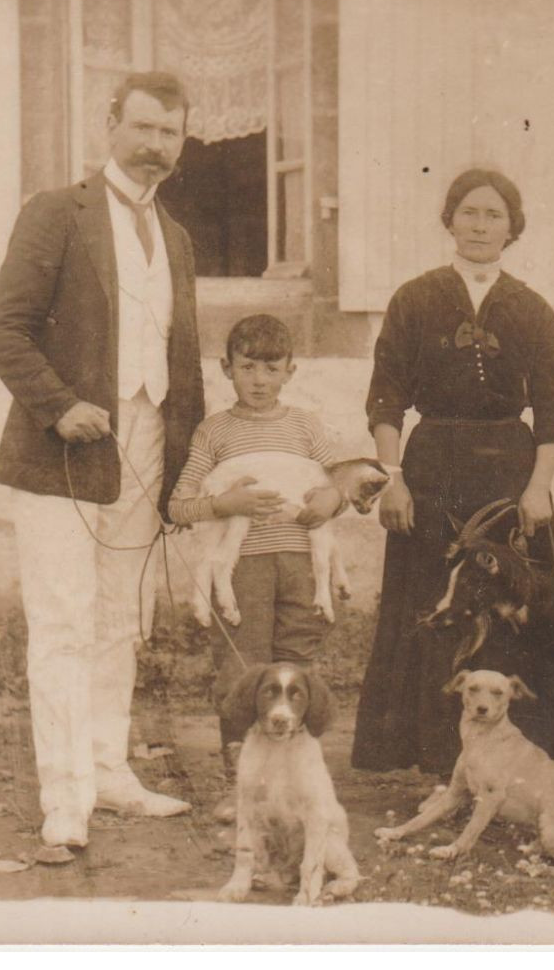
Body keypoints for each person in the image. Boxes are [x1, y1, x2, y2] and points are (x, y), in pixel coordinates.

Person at [0, 72, 205, 850]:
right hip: (60, 456)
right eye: (141, 128)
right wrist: (59, 404)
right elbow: (2, 327)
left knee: (119, 620)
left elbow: (185, 357)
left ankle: (108, 770)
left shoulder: (174, 236)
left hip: (144, 447)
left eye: (169, 133)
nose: (154, 146)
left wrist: (185, 471)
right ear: (109, 125)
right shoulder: (57, 213)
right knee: (64, 622)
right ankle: (65, 796)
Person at [351, 168, 554, 775]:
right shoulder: (415, 299)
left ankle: (521, 762)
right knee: (431, 605)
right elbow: (387, 397)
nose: (480, 226)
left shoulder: (531, 308)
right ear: (449, 220)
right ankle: (434, 759)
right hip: (431, 467)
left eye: (494, 215)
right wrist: (393, 480)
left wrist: (538, 490)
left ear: (513, 228)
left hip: (509, 471)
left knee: (513, 608)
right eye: (469, 213)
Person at [168, 315, 344, 823]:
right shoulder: (215, 432)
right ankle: (240, 786)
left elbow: (339, 486)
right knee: (243, 676)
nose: (259, 380)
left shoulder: (306, 425)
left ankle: (298, 785)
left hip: (300, 568)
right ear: (227, 369)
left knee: (298, 671)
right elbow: (180, 506)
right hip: (242, 569)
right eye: (247, 367)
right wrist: (226, 502)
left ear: (291, 370)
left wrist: (331, 499)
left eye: (271, 368)